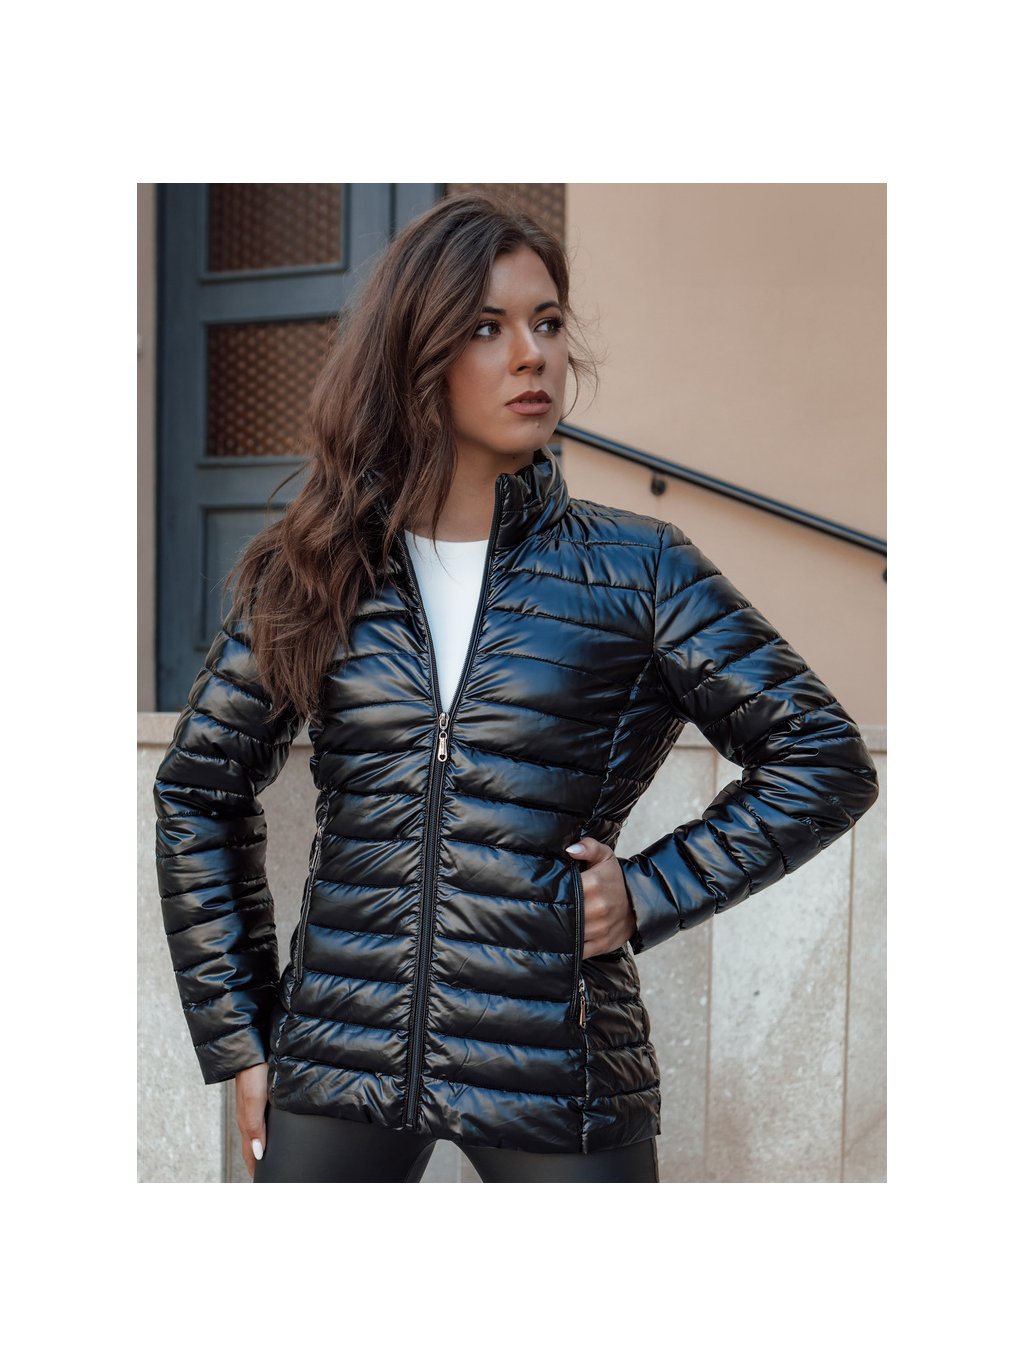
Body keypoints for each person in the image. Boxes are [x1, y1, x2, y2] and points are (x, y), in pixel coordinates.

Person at [153, 190, 879, 1184]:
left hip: (556, 1063)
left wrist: (647, 891)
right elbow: (199, 788)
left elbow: (821, 756)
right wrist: (242, 1035)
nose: (531, 355)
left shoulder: (639, 570)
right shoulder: (318, 565)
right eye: (486, 328)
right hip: (338, 1051)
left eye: (546, 322)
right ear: (414, 353)